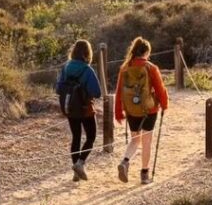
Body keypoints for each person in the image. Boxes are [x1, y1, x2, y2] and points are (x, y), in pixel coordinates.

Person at [114, 36, 169, 185]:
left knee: (135, 139)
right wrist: (164, 105)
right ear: (146, 52)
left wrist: (118, 112)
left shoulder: (125, 68)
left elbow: (119, 91)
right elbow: (160, 90)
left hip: (132, 110)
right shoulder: (151, 68)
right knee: (147, 141)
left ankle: (125, 161)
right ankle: (144, 174)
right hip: (149, 110)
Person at [55, 39, 103, 181]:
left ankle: (76, 172)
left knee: (76, 137)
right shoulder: (87, 70)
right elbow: (97, 92)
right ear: (87, 53)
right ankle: (80, 163)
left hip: (70, 107)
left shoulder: (66, 67)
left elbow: (58, 89)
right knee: (91, 137)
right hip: (85, 108)